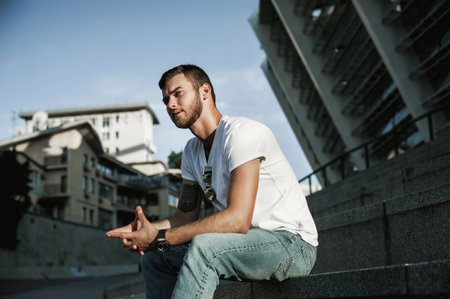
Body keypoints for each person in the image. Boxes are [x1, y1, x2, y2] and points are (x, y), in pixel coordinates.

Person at [106, 64, 318, 298]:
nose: (170, 104)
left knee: (204, 247)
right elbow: (183, 217)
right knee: (157, 257)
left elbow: (238, 220)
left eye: (178, 93)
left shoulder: (241, 133)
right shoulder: (191, 151)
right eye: (166, 99)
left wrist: (158, 238)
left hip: (291, 244)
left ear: (204, 91)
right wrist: (145, 231)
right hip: (241, 245)